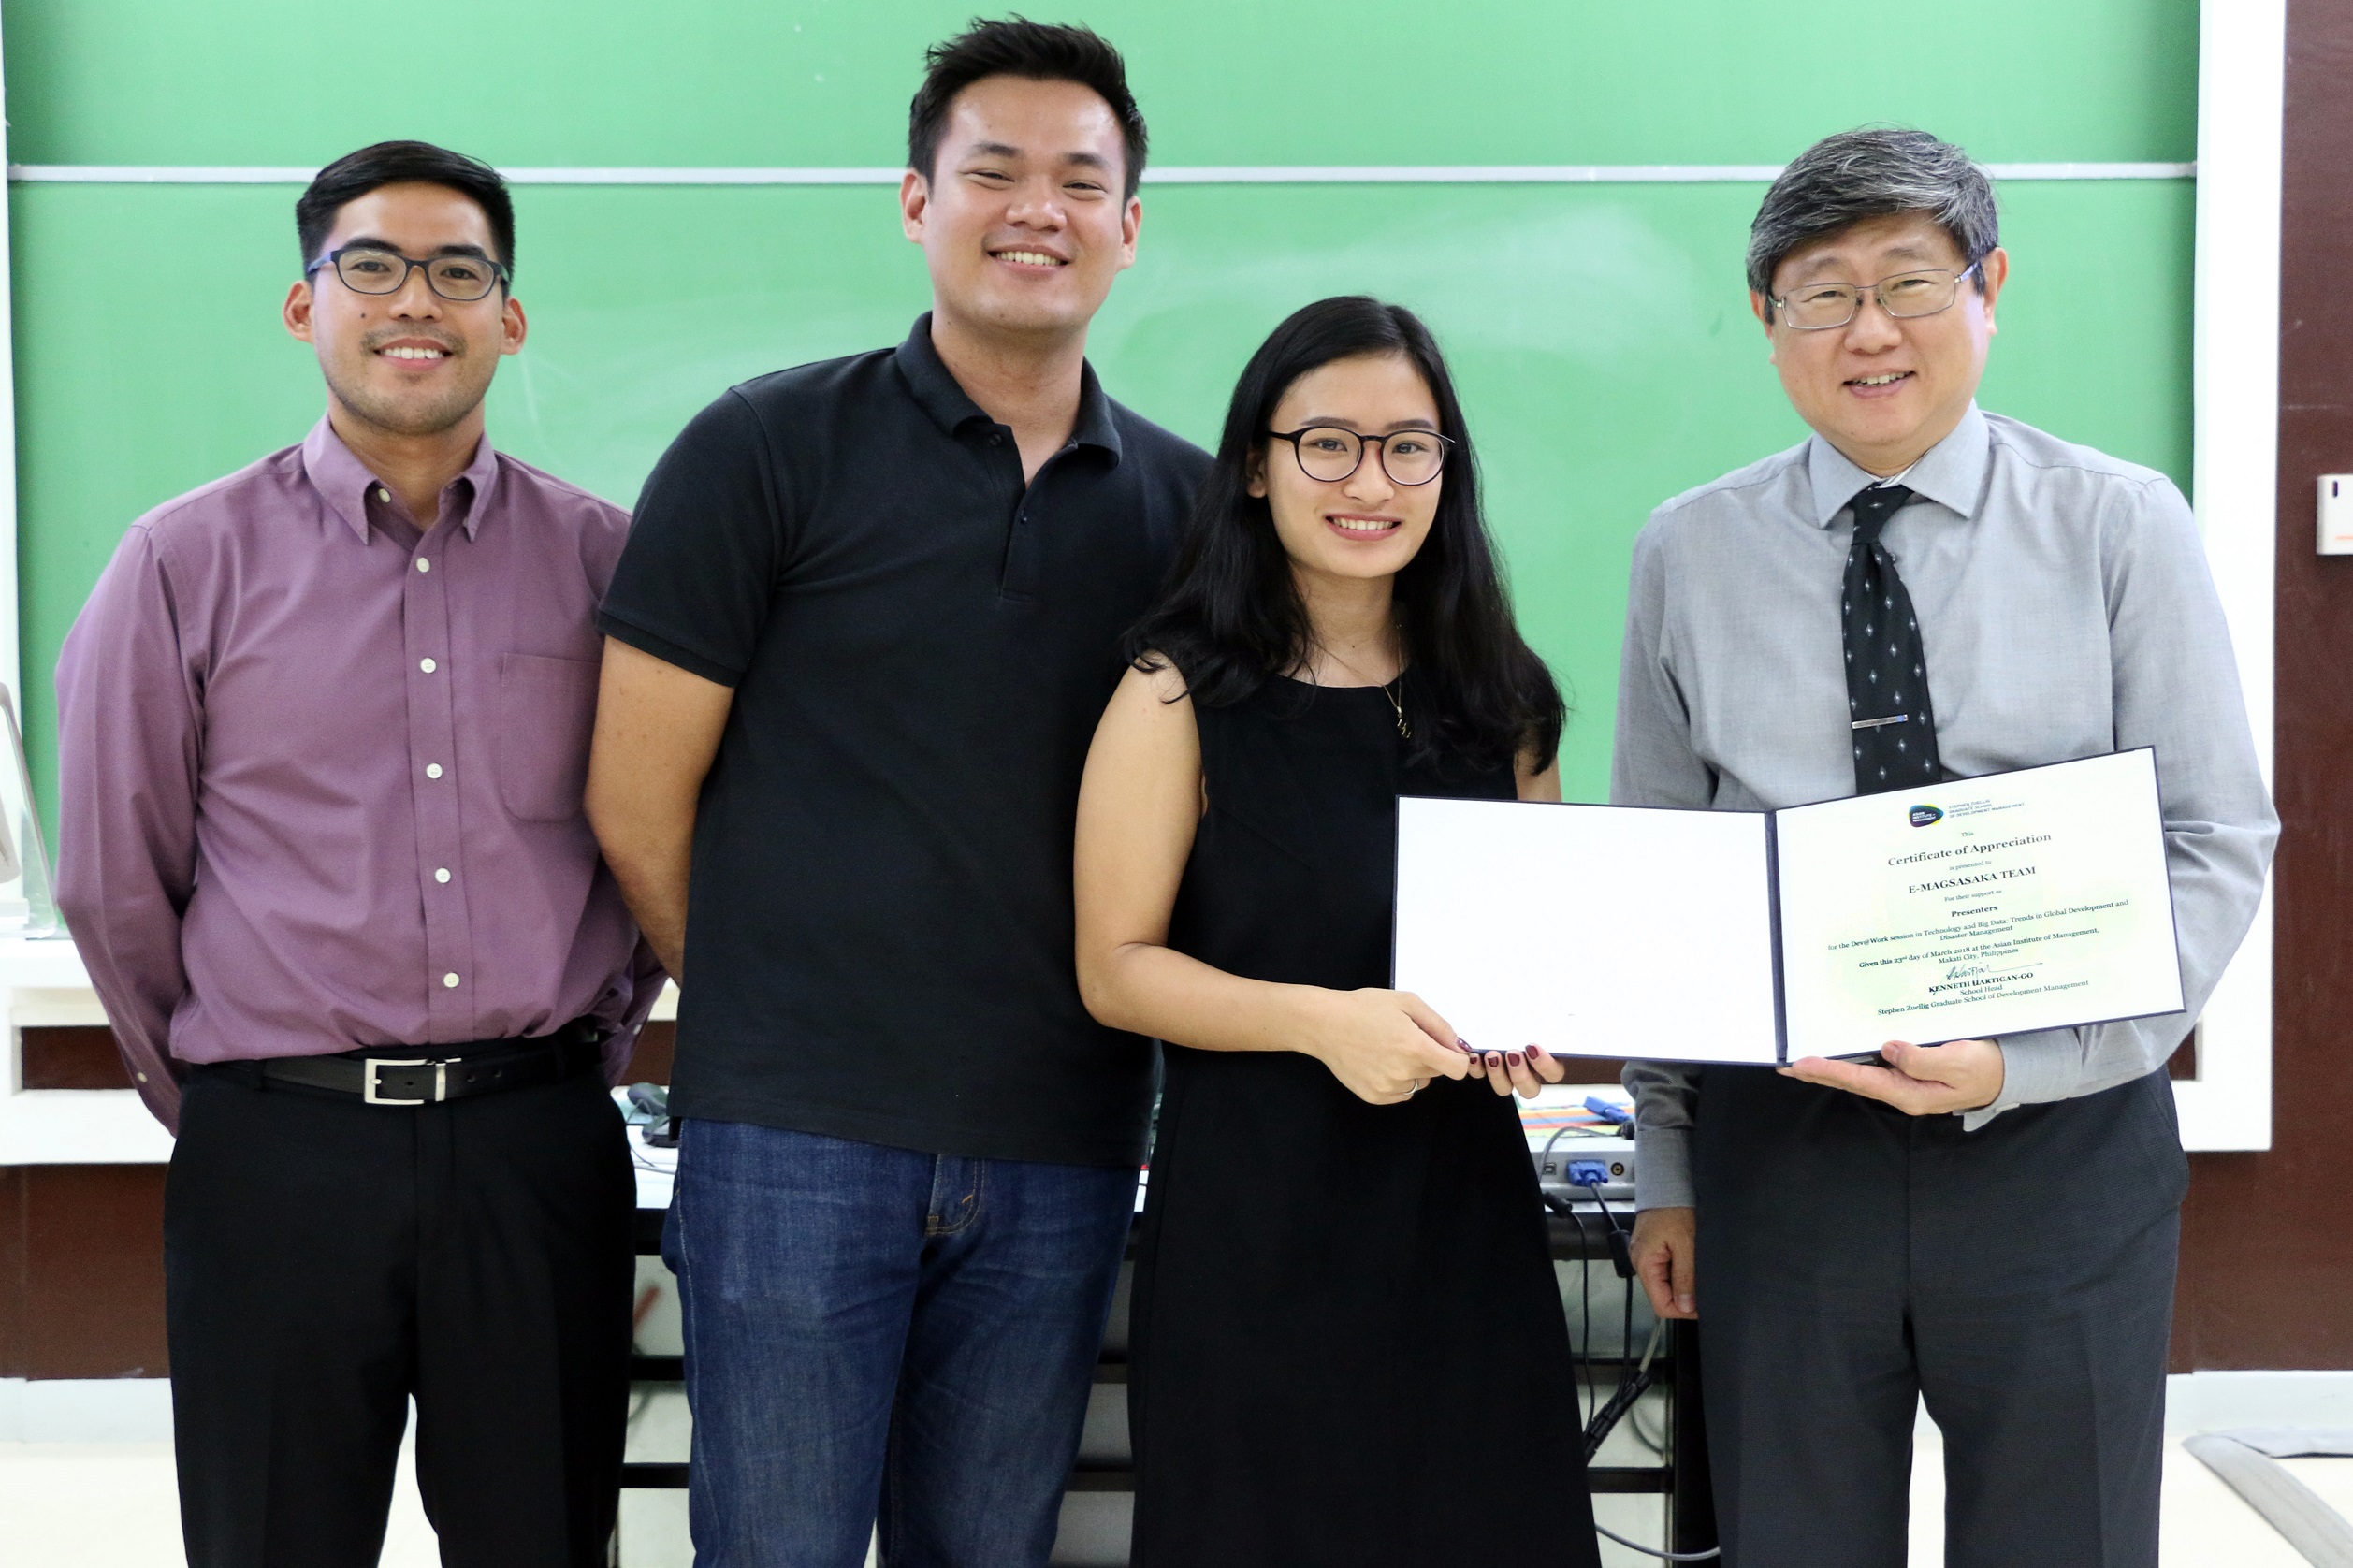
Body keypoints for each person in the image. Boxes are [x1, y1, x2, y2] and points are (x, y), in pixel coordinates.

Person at [584, 20, 1208, 1565]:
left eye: (1081, 180)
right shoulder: (762, 449)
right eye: (991, 171)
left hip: (1066, 1142)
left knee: (988, 1551)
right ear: (917, 203)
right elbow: (634, 792)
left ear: (1131, 228)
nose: (1036, 210)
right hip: (796, 1141)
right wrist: (783, 1007)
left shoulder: (1193, 509)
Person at [1614, 129, 2276, 1568]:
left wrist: (2024, 1066)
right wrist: (1669, 1162)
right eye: (1820, 292)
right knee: (1792, 1543)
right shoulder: (1688, 551)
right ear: (1764, 320)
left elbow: (2214, 840)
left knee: (2069, 1539)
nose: (1868, 330)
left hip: (2057, 1137)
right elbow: (1664, 877)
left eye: (1910, 282)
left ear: (1989, 289)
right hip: (1783, 1149)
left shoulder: (2118, 525)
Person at [54, 141, 662, 1568]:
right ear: (303, 303)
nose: (417, 302)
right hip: (279, 1153)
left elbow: (653, 843)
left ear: (509, 316)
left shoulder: (604, 560)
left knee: (543, 1540)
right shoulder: (179, 562)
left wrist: (585, 1051)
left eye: (461, 271)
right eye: (371, 266)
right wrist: (228, 1097)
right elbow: (108, 879)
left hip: (535, 1147)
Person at [1073, 295, 1602, 1568]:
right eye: (1329, 442)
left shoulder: (1503, 696)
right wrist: (1323, 1024)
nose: (1372, 480)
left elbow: (1540, 951)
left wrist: (1538, 1029)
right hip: (1257, 1227)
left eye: (1409, 445)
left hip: (1464, 1223)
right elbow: (1114, 970)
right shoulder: (1175, 692)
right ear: (1256, 465)